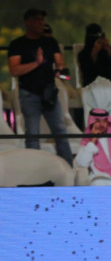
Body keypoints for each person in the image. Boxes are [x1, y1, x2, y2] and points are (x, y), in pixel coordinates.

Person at [6, 8, 72, 162]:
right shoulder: (18, 44)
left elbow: (59, 61)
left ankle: (68, 167)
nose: (41, 23)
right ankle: (34, 169)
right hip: (29, 93)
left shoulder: (50, 42)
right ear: (27, 22)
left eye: (42, 20)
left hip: (49, 92)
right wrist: (36, 63)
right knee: (33, 134)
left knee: (60, 130)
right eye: (37, 19)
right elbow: (14, 70)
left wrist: (60, 69)